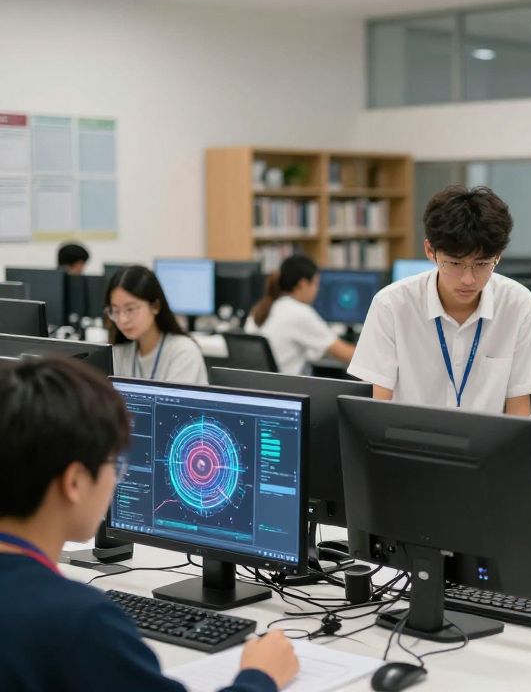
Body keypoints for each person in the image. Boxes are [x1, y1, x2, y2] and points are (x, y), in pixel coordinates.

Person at [0, 356, 298, 691]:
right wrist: (260, 676)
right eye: (116, 462)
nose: (119, 477)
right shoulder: (78, 623)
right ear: (75, 482)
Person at [348, 185, 531, 415]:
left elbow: (519, 406)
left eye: (482, 264)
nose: (468, 279)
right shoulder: (391, 305)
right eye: (454, 263)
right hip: (409, 446)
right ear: (430, 250)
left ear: (498, 256)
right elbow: (378, 407)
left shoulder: (518, 305)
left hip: (486, 448)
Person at [246, 254, 354, 376]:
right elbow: (345, 354)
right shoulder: (299, 312)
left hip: (261, 388)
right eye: (315, 284)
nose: (317, 290)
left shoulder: (260, 308)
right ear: (302, 284)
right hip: (285, 389)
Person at [106, 266, 207, 384]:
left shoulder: (183, 352)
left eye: (130, 309)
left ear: (155, 306)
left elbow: (173, 402)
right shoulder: (120, 353)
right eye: (116, 311)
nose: (122, 320)